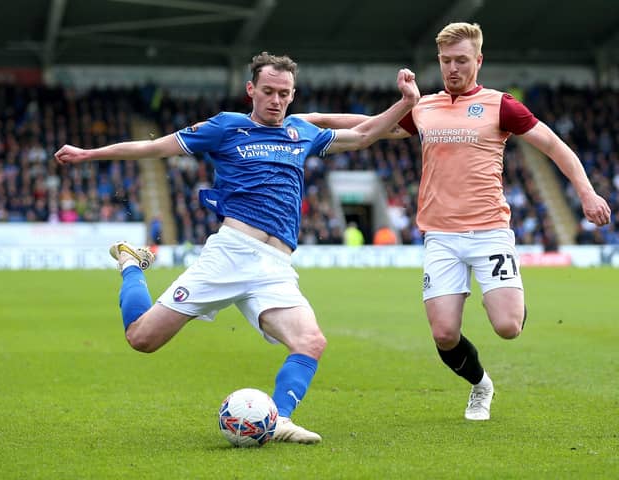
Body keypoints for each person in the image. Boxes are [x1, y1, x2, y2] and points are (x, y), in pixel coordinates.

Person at [54, 52, 420, 443]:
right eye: (268, 91)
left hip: (276, 266)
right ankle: (130, 263)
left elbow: (365, 135)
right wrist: (90, 154)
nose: (275, 100)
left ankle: (278, 420)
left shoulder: (300, 131)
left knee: (311, 342)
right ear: (251, 90)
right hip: (230, 254)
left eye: (284, 93)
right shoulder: (226, 127)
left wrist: (407, 104)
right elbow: (157, 147)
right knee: (142, 339)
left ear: (293, 95)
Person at [300, 23, 612, 421]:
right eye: (446, 61)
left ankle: (511, 296)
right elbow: (369, 127)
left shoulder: (502, 105)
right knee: (444, 334)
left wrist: (587, 193)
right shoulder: (425, 107)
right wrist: (315, 118)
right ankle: (481, 385)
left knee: (508, 327)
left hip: (490, 233)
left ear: (478, 61)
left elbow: (553, 144)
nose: (452, 68)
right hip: (441, 236)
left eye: (461, 60)